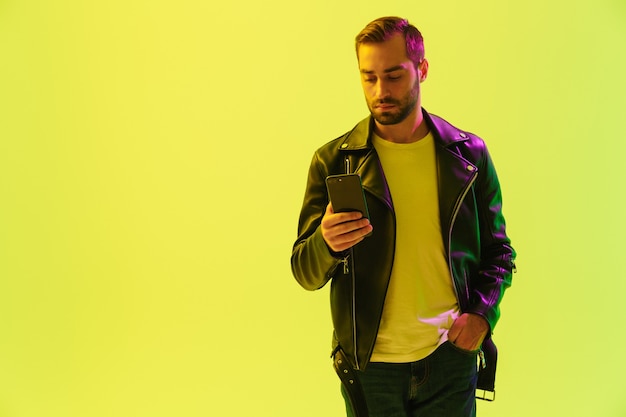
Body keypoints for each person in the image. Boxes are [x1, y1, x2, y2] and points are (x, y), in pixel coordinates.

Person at [291, 16, 516, 417]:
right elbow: (305, 272)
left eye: (393, 75)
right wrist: (325, 244)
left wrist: (481, 316)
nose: (381, 91)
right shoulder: (334, 161)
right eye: (369, 77)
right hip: (369, 365)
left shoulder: (469, 156)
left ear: (422, 69)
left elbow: (499, 253)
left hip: (450, 356)